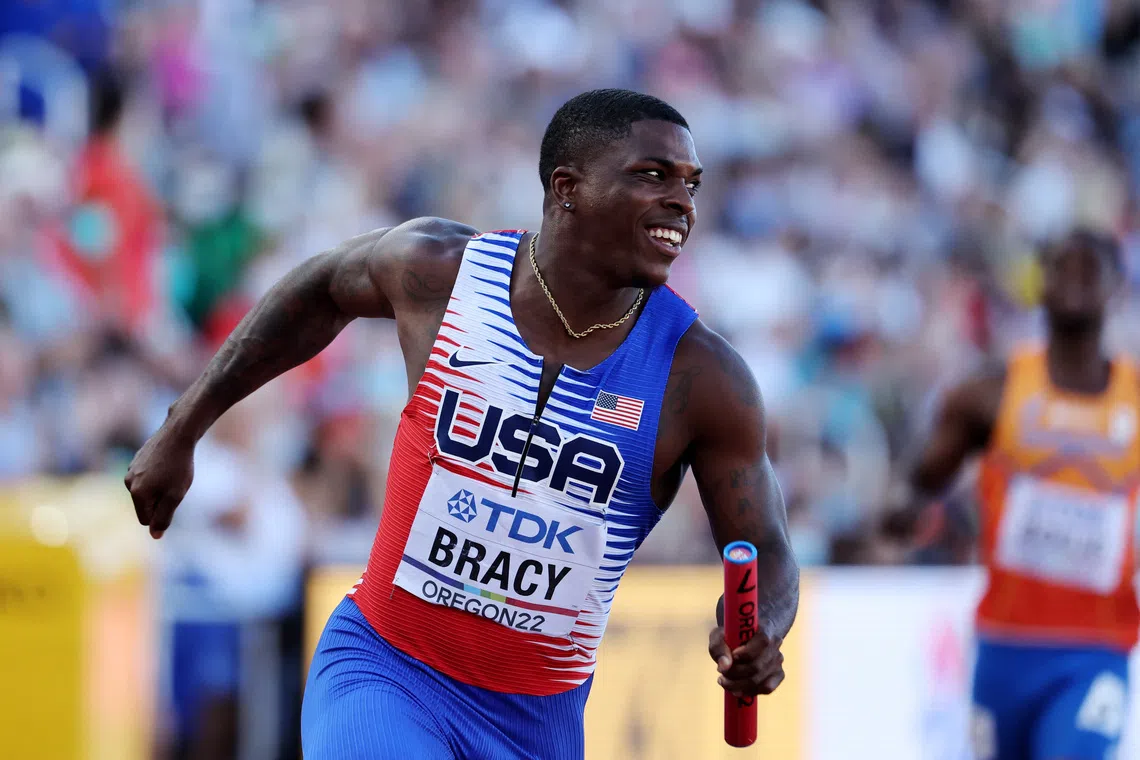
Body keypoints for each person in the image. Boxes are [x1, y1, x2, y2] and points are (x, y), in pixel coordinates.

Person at [125, 89, 799, 759]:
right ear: (567, 187)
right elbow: (317, 290)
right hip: (386, 668)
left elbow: (766, 544)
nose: (682, 202)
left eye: (692, 184)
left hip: (537, 726)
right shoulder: (444, 274)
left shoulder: (704, 378)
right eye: (653, 176)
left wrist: (762, 627)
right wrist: (182, 427)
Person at [900, 228, 1137, 760]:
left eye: (1089, 267)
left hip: (1097, 649)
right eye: (1062, 266)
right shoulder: (992, 392)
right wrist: (906, 509)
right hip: (1005, 648)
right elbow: (923, 479)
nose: (1074, 277)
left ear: (1116, 286)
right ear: (1039, 285)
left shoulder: (1136, 402)